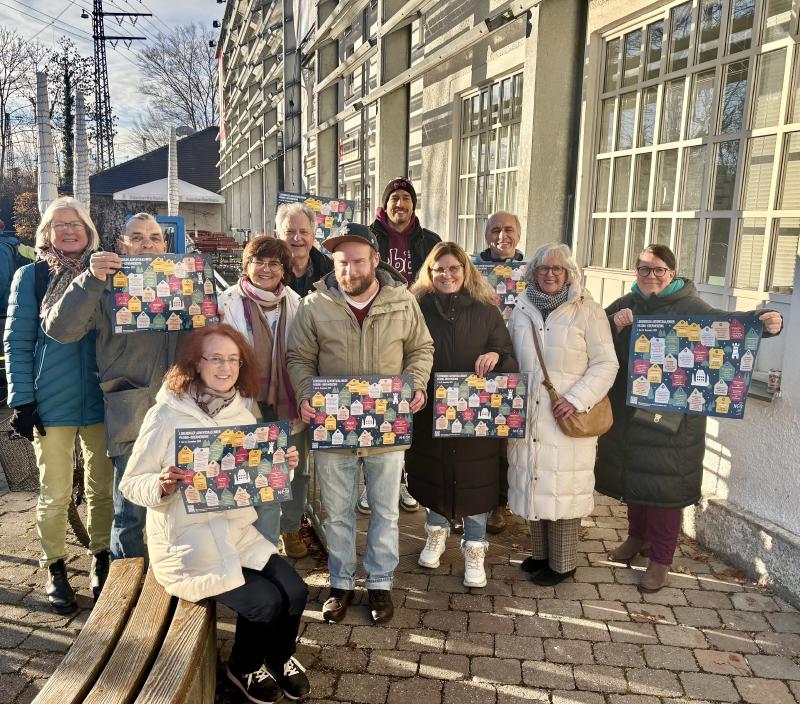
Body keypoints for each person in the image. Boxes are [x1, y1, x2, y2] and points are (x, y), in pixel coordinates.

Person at [119, 324, 310, 704]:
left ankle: (280, 655)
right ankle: (243, 666)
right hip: (186, 544)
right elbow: (130, 483)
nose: (225, 368)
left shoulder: (241, 411)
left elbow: (255, 478)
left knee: (295, 589)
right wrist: (161, 484)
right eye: (216, 358)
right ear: (196, 363)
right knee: (264, 602)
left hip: (235, 534)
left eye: (233, 360)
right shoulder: (166, 415)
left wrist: (283, 465)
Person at [597, 244, 783, 592]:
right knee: (634, 480)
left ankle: (661, 560)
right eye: (644, 269)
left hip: (674, 419)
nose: (651, 276)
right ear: (635, 272)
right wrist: (612, 325)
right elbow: (591, 337)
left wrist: (766, 324)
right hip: (629, 411)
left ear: (672, 273)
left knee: (664, 487)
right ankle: (637, 538)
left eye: (658, 270)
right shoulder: (626, 304)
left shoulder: (690, 306)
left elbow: (728, 327)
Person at [287, 222, 434, 624]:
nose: (349, 270)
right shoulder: (315, 305)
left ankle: (381, 583)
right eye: (341, 263)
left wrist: (417, 383)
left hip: (386, 426)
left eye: (357, 261)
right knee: (337, 511)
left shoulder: (402, 302)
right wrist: (304, 394)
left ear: (375, 260)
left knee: (386, 511)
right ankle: (340, 582)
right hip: (334, 427)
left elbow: (421, 348)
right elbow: (298, 358)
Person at [42, 213, 190, 561]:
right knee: (129, 515)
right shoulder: (105, 287)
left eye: (154, 238)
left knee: (181, 510)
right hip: (131, 413)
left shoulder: (186, 282)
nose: (146, 244)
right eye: (136, 238)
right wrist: (90, 280)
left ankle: (174, 584)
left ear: (165, 245)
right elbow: (60, 330)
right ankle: (126, 590)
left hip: (183, 411)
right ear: (121, 245)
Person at [4, 197, 114, 613]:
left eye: (77, 224)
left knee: (102, 488)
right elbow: (17, 341)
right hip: (50, 400)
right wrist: (22, 400)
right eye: (59, 224)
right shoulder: (30, 277)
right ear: (46, 233)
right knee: (54, 492)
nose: (69, 231)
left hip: (101, 398)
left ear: (89, 231)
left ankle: (101, 556)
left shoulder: (105, 273)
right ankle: (53, 565)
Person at [407, 242, 518, 588]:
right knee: (434, 475)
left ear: (466, 271)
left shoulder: (486, 310)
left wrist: (496, 358)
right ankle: (436, 533)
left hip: (475, 415)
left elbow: (509, 356)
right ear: (430, 272)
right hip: (429, 412)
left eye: (454, 268)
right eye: (439, 269)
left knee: (475, 483)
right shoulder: (416, 308)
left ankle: (474, 549)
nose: (447, 275)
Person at [507, 242, 618, 586]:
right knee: (534, 482)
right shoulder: (521, 309)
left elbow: (606, 363)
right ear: (533, 273)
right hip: (529, 414)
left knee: (564, 489)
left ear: (569, 273)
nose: (550, 274)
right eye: (543, 269)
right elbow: (512, 357)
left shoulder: (589, 311)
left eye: (557, 269)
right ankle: (541, 555)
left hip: (565, 413)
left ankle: (564, 563)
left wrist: (576, 398)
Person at [217, 235, 309, 559]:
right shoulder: (226, 302)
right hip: (247, 406)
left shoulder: (296, 303)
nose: (266, 269)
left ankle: (291, 529)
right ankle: (262, 553)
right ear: (247, 265)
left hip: (289, 405)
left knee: (295, 475)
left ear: (284, 269)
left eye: (274, 263)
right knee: (261, 482)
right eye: (259, 261)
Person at [366, 177, 441, 514]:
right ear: (385, 204)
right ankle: (374, 484)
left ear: (414, 205)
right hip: (379, 327)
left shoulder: (430, 240)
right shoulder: (369, 235)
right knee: (377, 404)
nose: (400, 204)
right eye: (394, 198)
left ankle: (403, 478)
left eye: (406, 199)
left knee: (409, 404)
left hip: (417, 325)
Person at [471, 210, 526, 534]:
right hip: (478, 363)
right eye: (494, 230)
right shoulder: (473, 271)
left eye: (508, 230)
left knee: (505, 441)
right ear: (486, 235)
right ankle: (471, 502)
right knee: (475, 439)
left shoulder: (532, 272)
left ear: (518, 234)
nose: (501, 237)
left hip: (515, 363)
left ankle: (499, 505)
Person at [275, 202, 333, 298]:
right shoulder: (267, 271)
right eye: (290, 232)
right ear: (278, 235)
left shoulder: (329, 271)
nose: (297, 238)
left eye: (304, 232)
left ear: (313, 236)